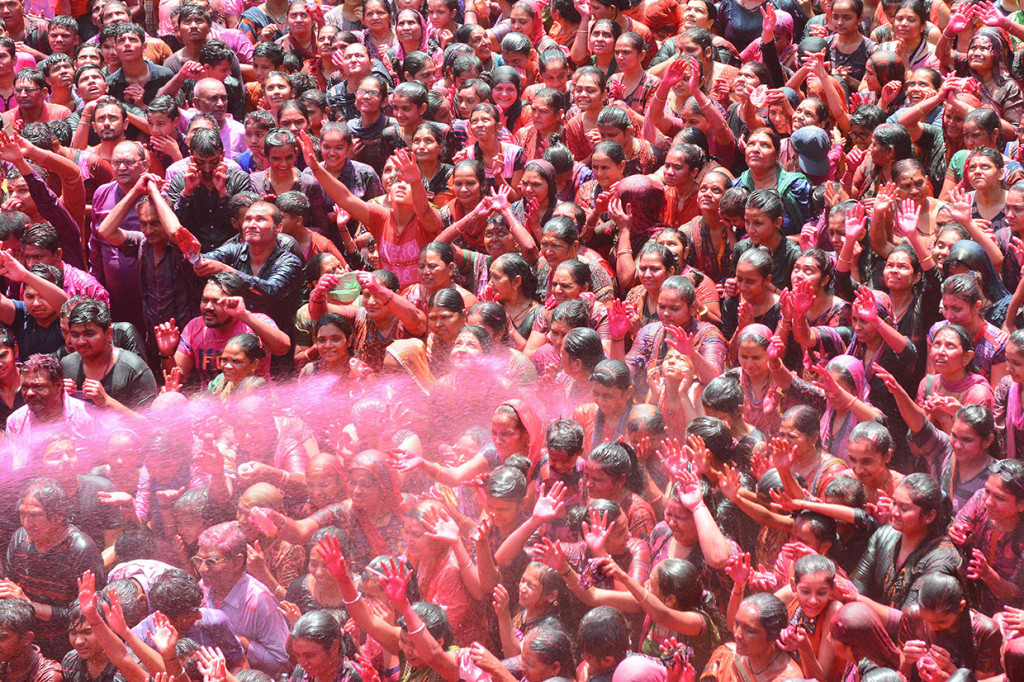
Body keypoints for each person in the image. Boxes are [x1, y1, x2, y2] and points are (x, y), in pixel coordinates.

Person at [193, 522, 290, 674]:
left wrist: (239, 641)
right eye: (198, 560)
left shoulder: (260, 601)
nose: (202, 569)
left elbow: (282, 664)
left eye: (212, 562)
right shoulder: (204, 587)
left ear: (237, 562)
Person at [60, 299, 158, 415]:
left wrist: (107, 402)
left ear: (109, 334)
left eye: (89, 334)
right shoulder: (66, 365)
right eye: (75, 335)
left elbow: (150, 426)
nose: (80, 342)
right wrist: (59, 398)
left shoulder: (133, 369)